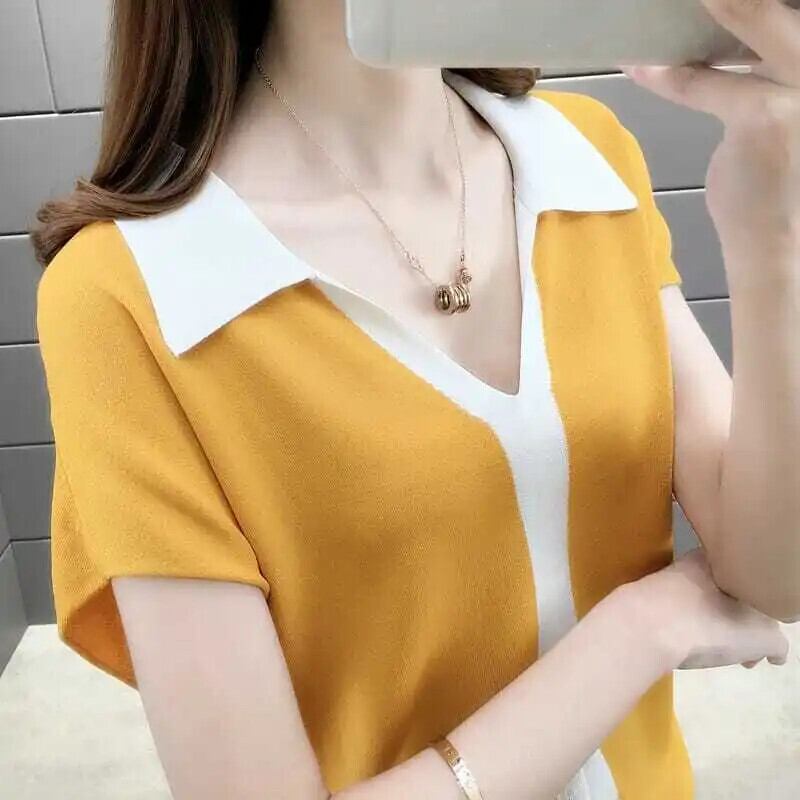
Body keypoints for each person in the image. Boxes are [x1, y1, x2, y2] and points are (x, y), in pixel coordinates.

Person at [32, 1, 790, 799]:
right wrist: (639, 630)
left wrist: (774, 238)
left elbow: (776, 578)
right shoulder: (131, 296)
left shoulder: (586, 155)